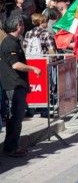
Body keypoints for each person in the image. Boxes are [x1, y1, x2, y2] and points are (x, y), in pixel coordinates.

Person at [0, 16, 41, 157]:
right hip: (13, 85)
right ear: (17, 26)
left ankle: (13, 146)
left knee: (17, 119)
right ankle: (11, 148)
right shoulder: (9, 44)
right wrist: (33, 69)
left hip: (18, 85)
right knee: (14, 119)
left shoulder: (15, 42)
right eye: (22, 24)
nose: (24, 26)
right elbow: (15, 64)